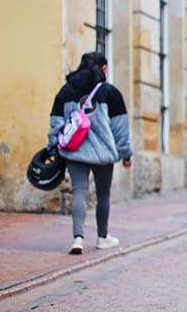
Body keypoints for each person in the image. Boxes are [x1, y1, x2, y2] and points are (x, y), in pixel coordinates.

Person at [47, 52, 132, 254]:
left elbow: (55, 122)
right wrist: (125, 153)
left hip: (74, 151)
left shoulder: (66, 91)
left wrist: (54, 146)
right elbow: (120, 127)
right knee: (103, 195)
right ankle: (102, 237)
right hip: (103, 154)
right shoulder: (110, 92)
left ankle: (78, 238)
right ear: (103, 68)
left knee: (79, 192)